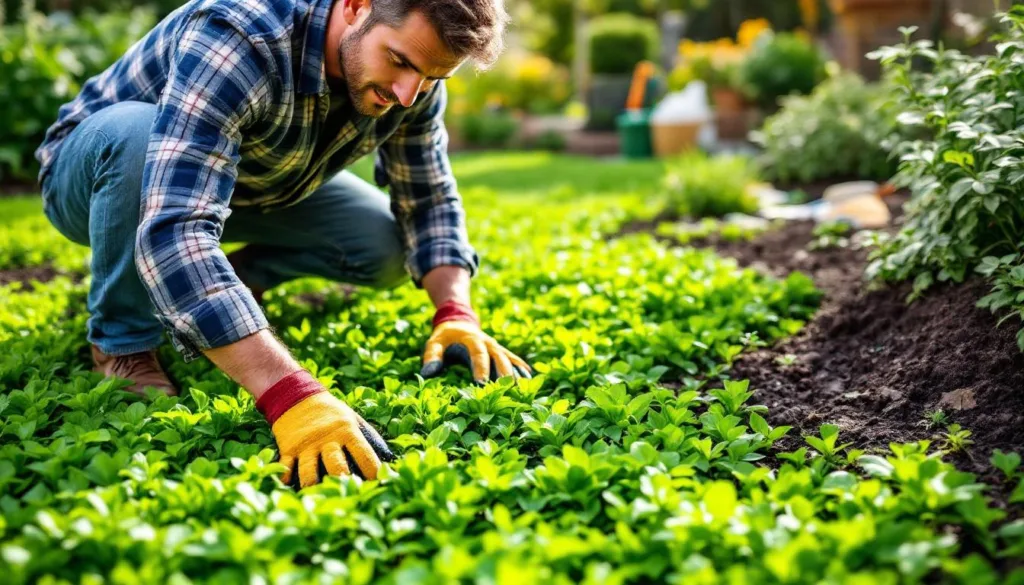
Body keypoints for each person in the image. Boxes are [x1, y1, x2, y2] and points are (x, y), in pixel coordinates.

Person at [33, 0, 531, 488]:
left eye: (430, 78)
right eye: (399, 61)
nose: (407, 93)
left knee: (383, 246)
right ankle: (122, 340)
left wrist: (455, 313)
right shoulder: (240, 35)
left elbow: (428, 197)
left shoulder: (414, 83)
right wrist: (290, 395)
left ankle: (239, 282)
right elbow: (176, 223)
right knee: (138, 136)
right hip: (104, 174)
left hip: (254, 186)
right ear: (357, 7)